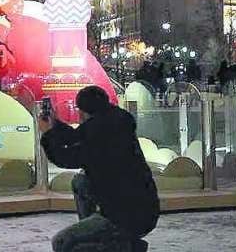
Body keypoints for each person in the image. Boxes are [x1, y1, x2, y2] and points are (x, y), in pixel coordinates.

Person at [40, 86, 159, 252]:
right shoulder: (113, 123)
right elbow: (75, 136)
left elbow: (65, 158)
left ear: (83, 112)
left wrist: (47, 135)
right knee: (81, 181)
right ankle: (118, 239)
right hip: (145, 210)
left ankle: (126, 246)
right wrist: (55, 125)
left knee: (62, 242)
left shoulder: (99, 137)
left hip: (123, 217)